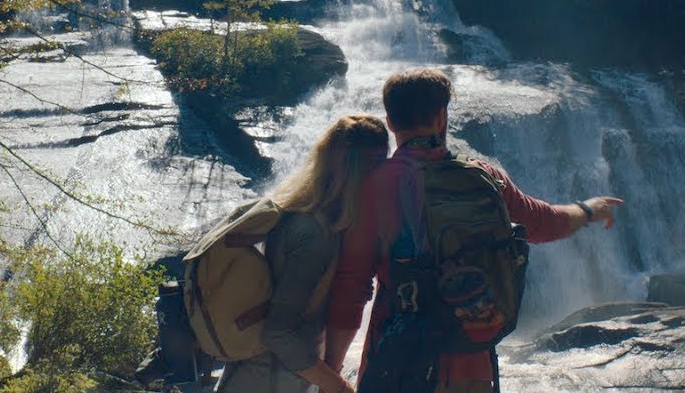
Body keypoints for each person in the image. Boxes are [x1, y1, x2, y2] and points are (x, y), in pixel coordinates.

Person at [324, 68, 624, 393]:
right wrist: (589, 209)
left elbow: (352, 290)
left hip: (398, 359)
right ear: (442, 117)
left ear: (391, 123)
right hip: (473, 357)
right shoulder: (485, 175)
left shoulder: (376, 185)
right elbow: (543, 222)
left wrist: (331, 372)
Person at [216, 114, 390, 393]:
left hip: (257, 374)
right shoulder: (314, 236)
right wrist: (339, 387)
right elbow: (279, 333)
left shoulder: (298, 213)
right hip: (269, 380)